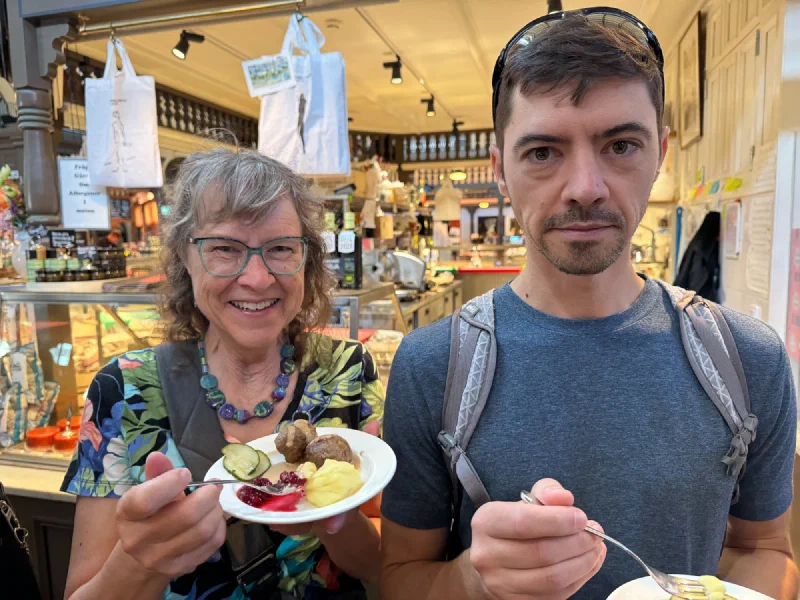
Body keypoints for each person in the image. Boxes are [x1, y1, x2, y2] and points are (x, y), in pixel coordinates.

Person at [380, 8, 797, 600]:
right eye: (543, 152)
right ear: (500, 170)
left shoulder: (747, 361)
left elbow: (766, 550)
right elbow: (400, 578)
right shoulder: (433, 366)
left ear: (661, 153)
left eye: (620, 144)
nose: (585, 186)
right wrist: (472, 578)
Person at [61, 148, 384, 600]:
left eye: (280, 249)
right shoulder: (122, 391)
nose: (256, 277)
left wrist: (335, 512)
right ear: (184, 260)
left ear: (306, 261)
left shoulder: (347, 371)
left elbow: (381, 567)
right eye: (224, 249)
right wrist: (141, 562)